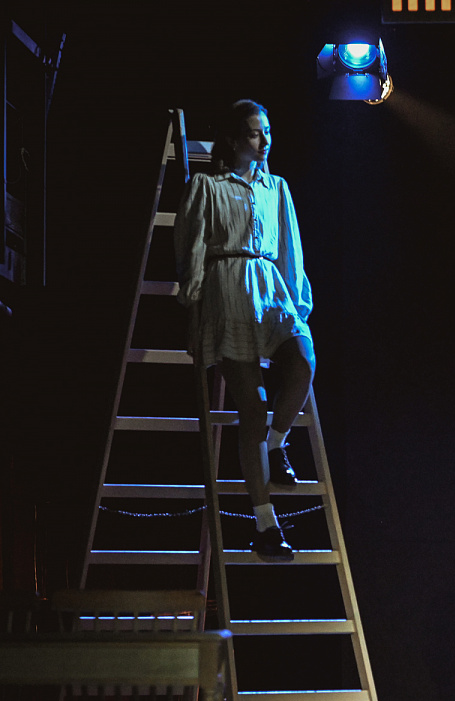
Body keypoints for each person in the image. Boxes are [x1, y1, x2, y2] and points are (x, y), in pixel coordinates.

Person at [175, 99, 316, 562]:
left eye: (267, 131)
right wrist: (194, 304)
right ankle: (265, 525)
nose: (264, 140)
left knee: (303, 361)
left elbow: (289, 248)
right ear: (235, 140)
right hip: (228, 290)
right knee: (252, 408)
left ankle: (277, 444)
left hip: (270, 289)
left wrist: (297, 302)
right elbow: (191, 246)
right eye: (255, 133)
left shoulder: (277, 187)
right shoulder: (207, 185)